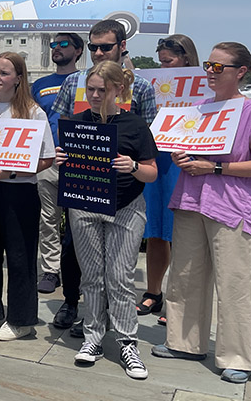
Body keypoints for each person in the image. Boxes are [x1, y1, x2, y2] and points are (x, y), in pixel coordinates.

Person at [152, 42, 251, 384]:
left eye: (218, 67)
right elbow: (189, 152)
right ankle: (184, 342)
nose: (210, 72)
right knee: (185, 275)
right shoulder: (199, 108)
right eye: (208, 65)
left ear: (241, 72)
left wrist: (217, 169)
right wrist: (182, 158)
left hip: (234, 205)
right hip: (192, 198)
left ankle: (240, 356)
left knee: (234, 282)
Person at [48, 20, 157, 334]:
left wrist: (132, 167)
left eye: (105, 46)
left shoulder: (143, 87)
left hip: (121, 189)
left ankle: (108, 319)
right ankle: (72, 302)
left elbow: (146, 134)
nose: (98, 52)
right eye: (93, 46)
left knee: (116, 262)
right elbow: (63, 126)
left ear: (121, 47)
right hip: (82, 182)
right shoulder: (73, 82)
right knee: (73, 249)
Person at [57, 62, 158, 379]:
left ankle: (128, 342)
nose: (96, 95)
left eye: (103, 89)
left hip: (126, 207)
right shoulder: (76, 122)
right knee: (91, 276)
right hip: (85, 205)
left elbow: (152, 173)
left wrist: (132, 166)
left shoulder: (135, 125)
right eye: (91, 90)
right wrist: (62, 160)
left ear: (119, 89)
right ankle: (93, 338)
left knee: (120, 276)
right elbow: (70, 167)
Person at [0, 52, 54, 341]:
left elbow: (47, 159)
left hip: (19, 192)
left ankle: (21, 318)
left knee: (20, 256)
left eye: (4, 73)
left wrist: (13, 173)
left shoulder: (33, 113)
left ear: (19, 78)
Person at [137, 35, 200, 323]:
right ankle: (153, 291)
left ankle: (179, 297)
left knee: (181, 232)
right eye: (160, 61)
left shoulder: (203, 88)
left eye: (168, 61)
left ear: (186, 59)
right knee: (156, 230)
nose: (163, 65)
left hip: (184, 161)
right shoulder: (150, 86)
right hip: (156, 157)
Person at [30, 33, 83, 295]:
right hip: (48, 160)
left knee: (78, 222)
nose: (57, 49)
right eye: (54, 45)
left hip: (81, 162)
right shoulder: (39, 85)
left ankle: (76, 269)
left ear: (78, 50)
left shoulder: (88, 82)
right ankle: (50, 270)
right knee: (48, 219)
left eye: (64, 45)